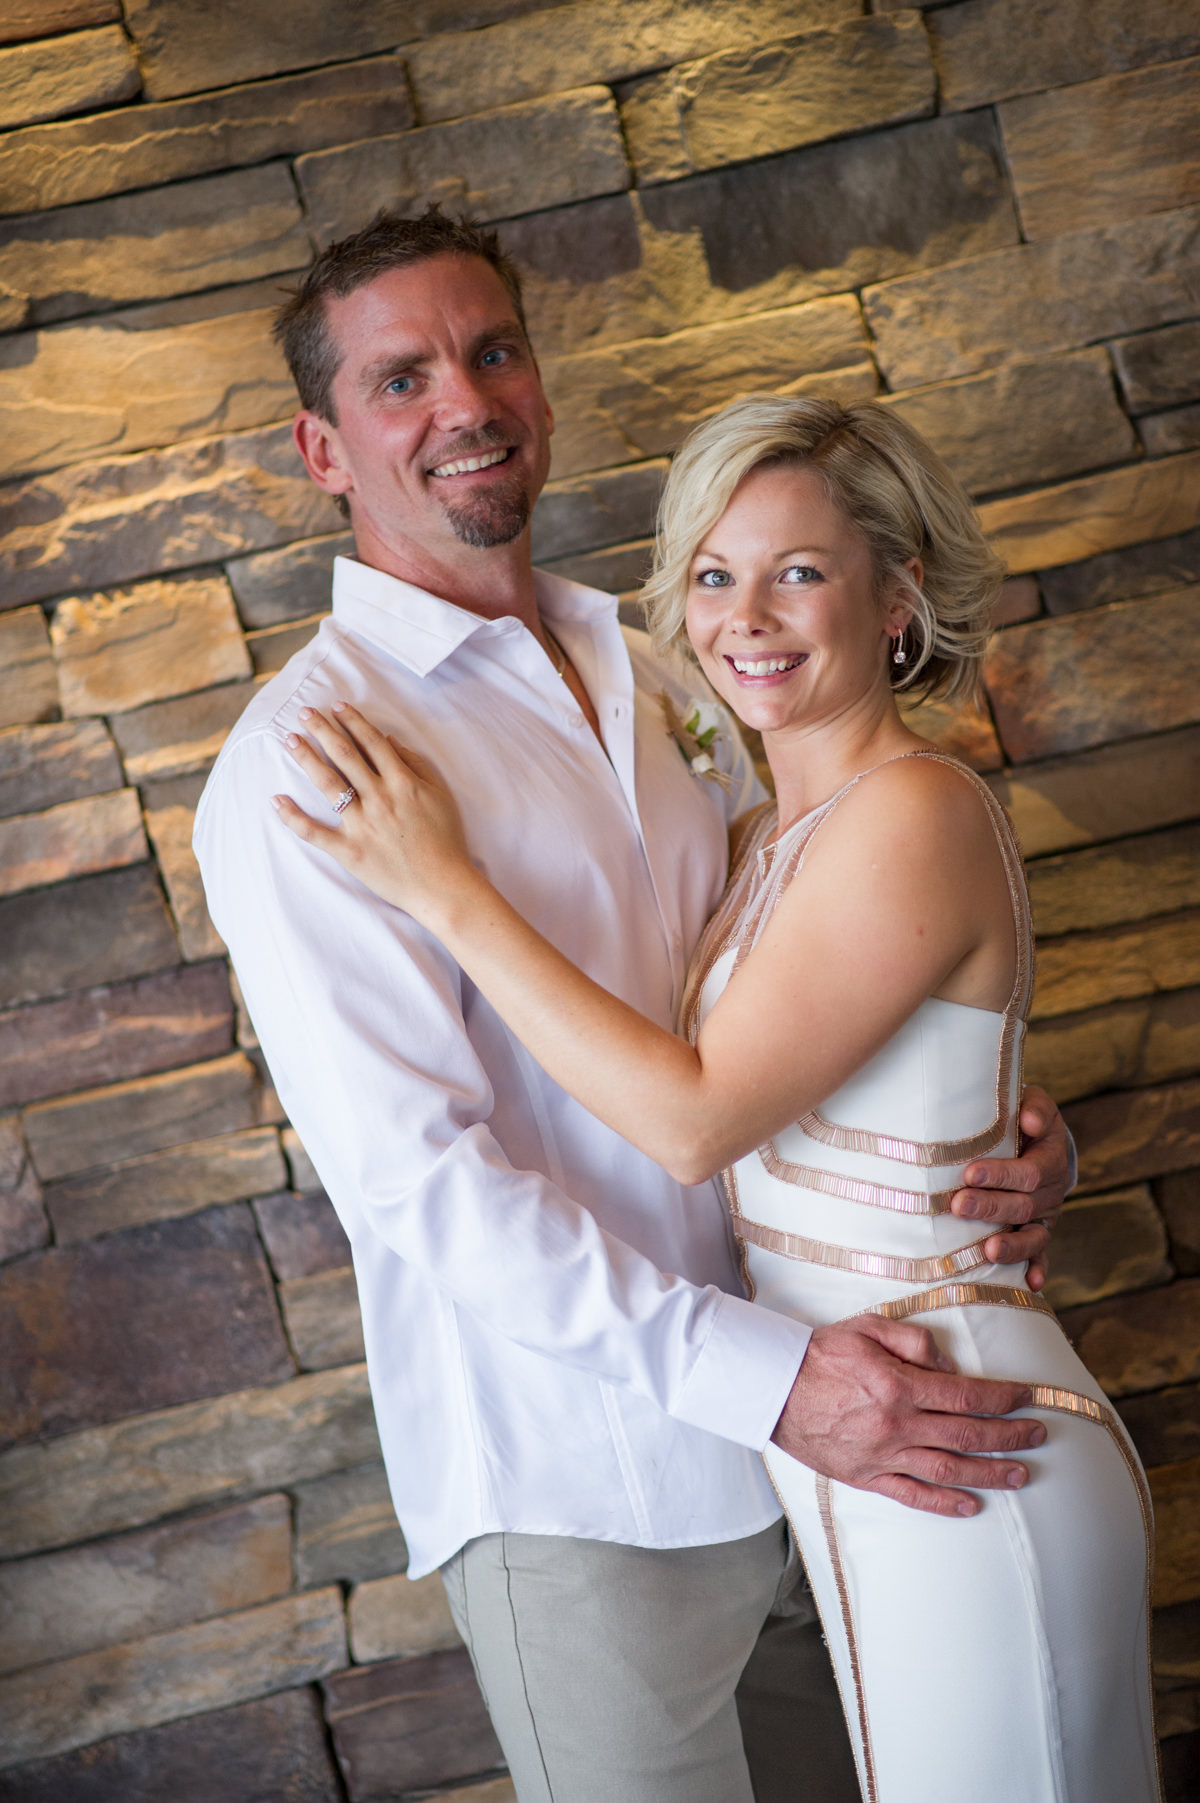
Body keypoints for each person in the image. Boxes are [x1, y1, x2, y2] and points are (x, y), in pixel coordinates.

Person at [195, 210, 1075, 1803]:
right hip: (589, 1477)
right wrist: (764, 1380)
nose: (463, 401)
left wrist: (964, 1129)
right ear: (325, 447)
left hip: (831, 1444)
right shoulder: (310, 759)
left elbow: (794, 977)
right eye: (402, 379)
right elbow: (420, 1182)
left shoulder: (655, 658)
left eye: (492, 352)